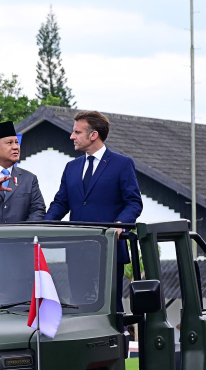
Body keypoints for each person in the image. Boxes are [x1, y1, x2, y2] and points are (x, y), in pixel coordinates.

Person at [44, 110, 143, 310]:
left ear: (93, 135)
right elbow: (61, 202)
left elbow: (133, 202)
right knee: (81, 306)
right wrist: (45, 225)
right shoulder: (71, 167)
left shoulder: (122, 164)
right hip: (77, 251)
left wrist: (119, 226)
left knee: (110, 307)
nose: (72, 136)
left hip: (109, 249)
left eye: (77, 132)